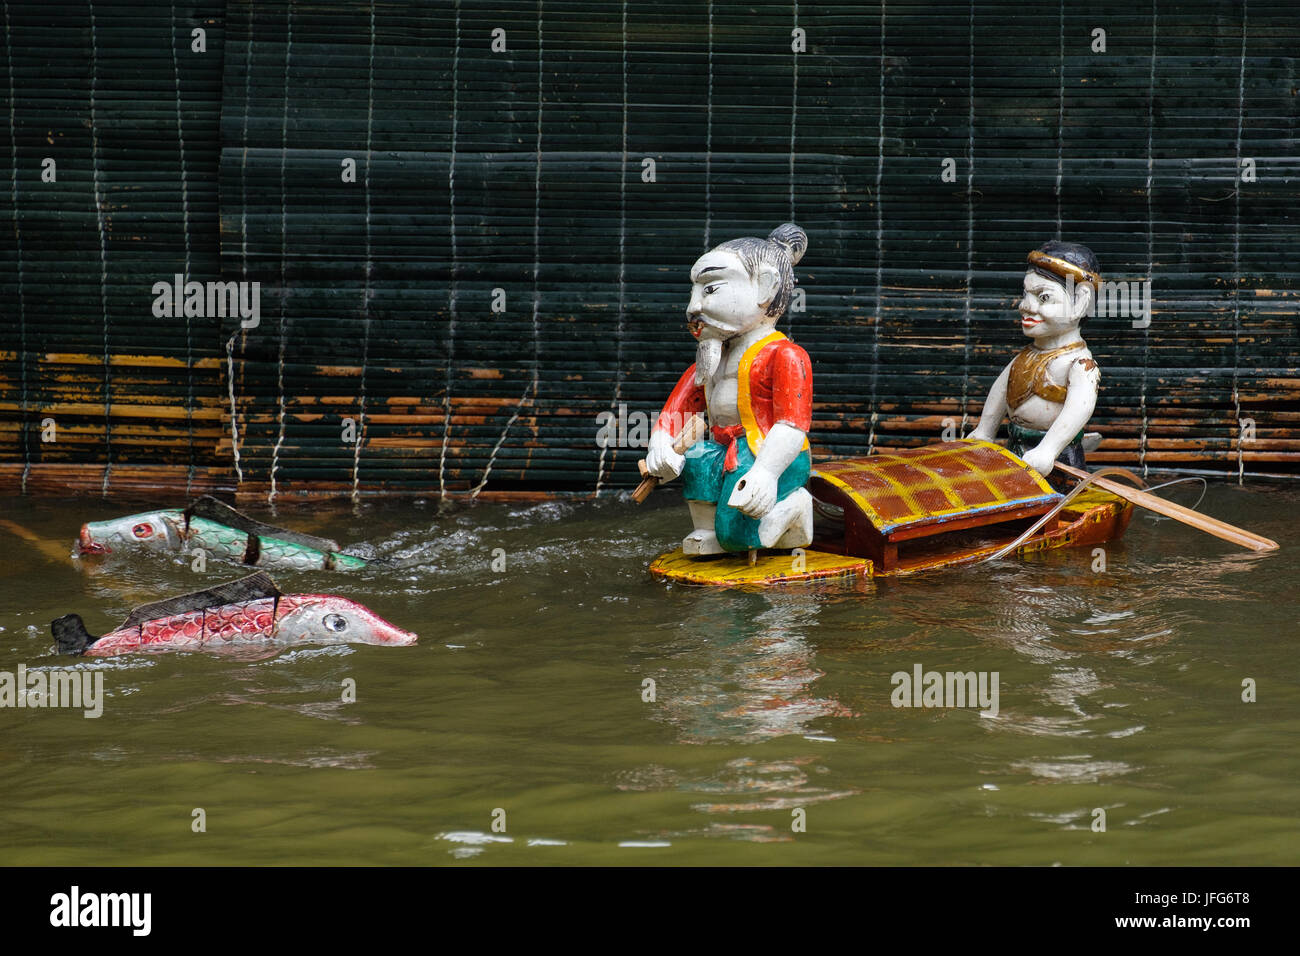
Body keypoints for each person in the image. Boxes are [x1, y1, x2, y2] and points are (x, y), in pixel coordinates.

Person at [644, 224, 814, 555]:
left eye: (710, 290)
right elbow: (676, 412)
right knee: (697, 457)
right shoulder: (711, 357)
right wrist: (661, 446)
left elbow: (792, 427)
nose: (693, 307)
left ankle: (795, 505)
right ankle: (710, 531)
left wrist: (766, 472)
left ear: (766, 286)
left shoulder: (785, 356)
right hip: (726, 449)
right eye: (693, 292)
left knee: (737, 535)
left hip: (770, 455)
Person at [970, 240, 1102, 481]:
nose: (1024, 306)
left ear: (1081, 302)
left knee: (1058, 504)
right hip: (1016, 447)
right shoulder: (1026, 356)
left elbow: (1079, 409)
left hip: (1057, 458)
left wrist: (1048, 449)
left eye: (1043, 297)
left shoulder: (1080, 364)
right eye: (1025, 294)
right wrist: (985, 431)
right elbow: (1001, 391)